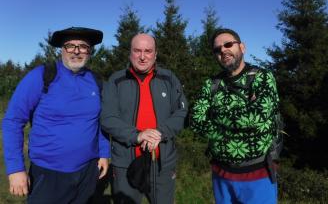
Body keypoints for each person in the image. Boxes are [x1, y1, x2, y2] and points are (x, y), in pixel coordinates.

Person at [2, 27, 110, 204]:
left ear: (90, 51)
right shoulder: (41, 77)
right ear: (62, 49)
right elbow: (13, 121)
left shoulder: (96, 81)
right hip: (48, 173)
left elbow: (99, 121)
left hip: (88, 171)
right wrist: (15, 169)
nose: (76, 51)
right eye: (70, 45)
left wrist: (103, 153)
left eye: (83, 46)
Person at [191, 28, 280, 204]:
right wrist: (241, 121)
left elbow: (257, 115)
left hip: (258, 174)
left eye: (228, 44)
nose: (223, 50)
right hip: (221, 175)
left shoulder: (262, 77)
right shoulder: (212, 84)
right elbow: (195, 121)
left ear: (242, 47)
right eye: (217, 49)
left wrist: (215, 115)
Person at [101, 33, 188, 204]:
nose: (142, 56)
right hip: (126, 163)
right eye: (137, 51)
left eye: (148, 51)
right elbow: (107, 118)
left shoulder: (169, 78)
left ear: (155, 54)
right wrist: (137, 135)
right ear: (130, 53)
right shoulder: (116, 80)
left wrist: (161, 132)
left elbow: (182, 112)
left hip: (162, 163)